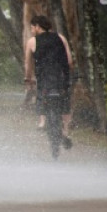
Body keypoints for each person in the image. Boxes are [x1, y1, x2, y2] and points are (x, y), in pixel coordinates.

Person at [24, 15, 73, 149]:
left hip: (45, 79)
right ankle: (66, 131)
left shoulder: (32, 42)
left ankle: (42, 121)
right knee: (65, 102)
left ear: (38, 27)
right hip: (61, 78)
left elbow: (28, 64)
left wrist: (28, 79)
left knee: (40, 94)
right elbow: (69, 61)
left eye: (32, 27)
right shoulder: (61, 38)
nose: (32, 30)